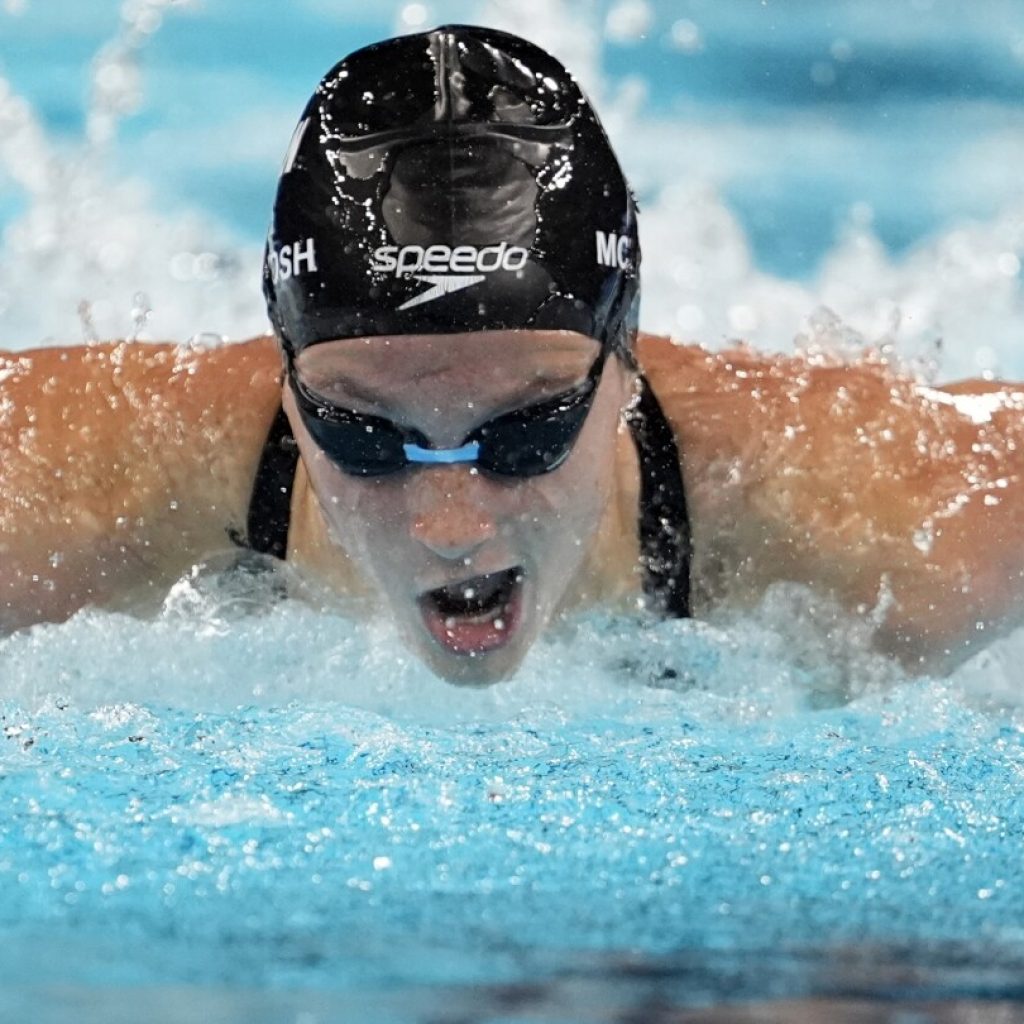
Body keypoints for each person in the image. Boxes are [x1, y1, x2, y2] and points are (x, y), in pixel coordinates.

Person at [2, 24, 1024, 685]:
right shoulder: (92, 485)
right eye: (362, 434)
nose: (450, 520)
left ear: (624, 366)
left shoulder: (879, 517)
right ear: (286, 375)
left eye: (525, 432)